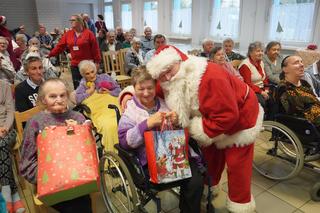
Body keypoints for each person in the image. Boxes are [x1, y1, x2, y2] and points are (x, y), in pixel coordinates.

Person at [144, 45, 263, 212]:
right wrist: (128, 95)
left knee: (237, 167)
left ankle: (240, 206)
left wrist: (196, 128)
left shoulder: (210, 76)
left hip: (241, 118)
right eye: (162, 75)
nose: (168, 77)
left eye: (170, 70)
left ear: (181, 61)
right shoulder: (166, 81)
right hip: (211, 120)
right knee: (209, 158)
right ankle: (208, 191)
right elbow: (146, 90)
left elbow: (227, 116)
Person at [118, 66, 204, 213]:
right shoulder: (131, 111)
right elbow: (125, 142)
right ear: (134, 88)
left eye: (150, 88)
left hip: (173, 156)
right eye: (141, 88)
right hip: (148, 163)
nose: (146, 93)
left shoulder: (164, 104)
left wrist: (177, 121)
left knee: (196, 179)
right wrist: (147, 124)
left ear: (155, 86)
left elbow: (178, 136)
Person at [19, 78, 92, 213]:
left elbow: (89, 155)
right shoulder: (35, 123)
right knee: (76, 206)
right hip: (51, 184)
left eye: (62, 95)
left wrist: (80, 132)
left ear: (68, 96)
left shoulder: (78, 118)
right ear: (43, 100)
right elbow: (26, 164)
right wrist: (49, 177)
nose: (58, 99)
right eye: (52, 96)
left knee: (81, 202)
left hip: (80, 179)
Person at [75, 60, 121, 152]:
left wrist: (109, 92)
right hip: (99, 110)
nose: (91, 75)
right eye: (87, 74)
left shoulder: (105, 77)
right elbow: (78, 99)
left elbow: (119, 90)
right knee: (109, 125)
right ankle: (114, 153)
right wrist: (90, 92)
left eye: (92, 71)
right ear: (83, 75)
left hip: (112, 103)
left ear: (96, 69)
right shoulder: (83, 85)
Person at [48, 14, 101, 89]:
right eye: (70, 20)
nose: (71, 22)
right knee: (78, 87)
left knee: (90, 86)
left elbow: (95, 49)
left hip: (88, 65)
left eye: (73, 20)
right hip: (75, 65)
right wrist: (50, 54)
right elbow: (60, 46)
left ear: (79, 21)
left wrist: (97, 62)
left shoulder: (89, 34)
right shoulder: (68, 34)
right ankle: (79, 101)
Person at [0, 79, 26, 213]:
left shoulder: (4, 85)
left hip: (8, 130)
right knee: (1, 146)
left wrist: (4, 128)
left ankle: (5, 193)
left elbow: (10, 111)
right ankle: (14, 194)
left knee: (2, 144)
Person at [278, 55, 320, 128]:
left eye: (301, 62)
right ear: (285, 69)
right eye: (296, 63)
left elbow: (315, 100)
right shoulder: (285, 88)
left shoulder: (304, 83)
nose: (302, 65)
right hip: (306, 125)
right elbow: (299, 113)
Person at [239, 41, 269, 108]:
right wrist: (261, 92)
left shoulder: (261, 62)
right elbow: (247, 84)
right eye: (258, 51)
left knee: (275, 100)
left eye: (262, 51)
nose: (261, 53)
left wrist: (267, 89)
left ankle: (270, 118)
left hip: (262, 88)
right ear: (250, 53)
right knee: (262, 102)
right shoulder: (245, 65)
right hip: (251, 90)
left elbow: (265, 78)